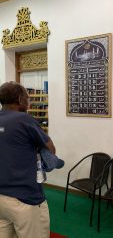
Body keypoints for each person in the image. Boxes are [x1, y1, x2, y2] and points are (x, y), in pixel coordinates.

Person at [0, 81, 56, 238]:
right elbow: (51, 150)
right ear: (20, 100)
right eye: (28, 97)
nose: (29, 101)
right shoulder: (24, 119)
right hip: (24, 198)